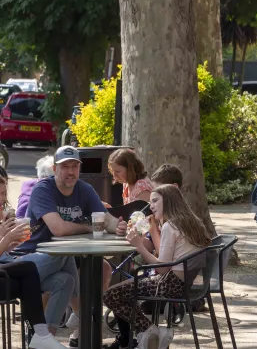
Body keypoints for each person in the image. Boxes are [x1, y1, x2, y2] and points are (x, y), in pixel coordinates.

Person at [17, 146, 127, 345]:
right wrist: (88, 227)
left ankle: (44, 339)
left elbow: (106, 219)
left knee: (69, 279)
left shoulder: (84, 189)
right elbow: (58, 229)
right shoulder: (43, 189)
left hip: (64, 258)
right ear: (54, 169)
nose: (70, 171)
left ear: (79, 168)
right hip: (31, 259)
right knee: (66, 254)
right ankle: (83, 317)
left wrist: (117, 226)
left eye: (74, 166)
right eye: (65, 166)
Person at [103, 184, 212, 349]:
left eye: (155, 201)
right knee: (123, 292)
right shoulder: (190, 222)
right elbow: (164, 255)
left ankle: (148, 331)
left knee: (111, 295)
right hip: (185, 282)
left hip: (169, 284)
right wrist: (153, 230)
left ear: (168, 202)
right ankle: (136, 338)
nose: (150, 205)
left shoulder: (171, 226)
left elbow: (162, 268)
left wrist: (139, 246)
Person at [0, 169, 71, 349]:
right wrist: (5, 239)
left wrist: (10, 243)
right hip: (3, 277)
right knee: (29, 267)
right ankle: (41, 336)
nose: (3, 198)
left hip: (6, 270)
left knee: (64, 280)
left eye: (4, 193)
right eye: (0, 193)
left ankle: (44, 338)